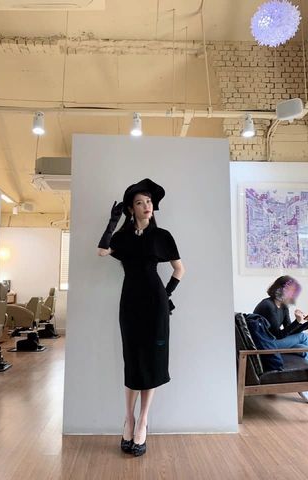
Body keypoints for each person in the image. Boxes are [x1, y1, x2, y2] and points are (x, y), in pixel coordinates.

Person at [97, 178, 185, 457]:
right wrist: (113, 222)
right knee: (133, 359)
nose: (146, 206)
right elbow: (102, 250)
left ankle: (143, 420)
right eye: (139, 202)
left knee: (152, 361)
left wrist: (166, 296)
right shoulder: (122, 238)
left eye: (149, 201)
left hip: (156, 304)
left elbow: (180, 269)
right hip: (130, 303)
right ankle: (129, 418)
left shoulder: (163, 236)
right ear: (130, 209)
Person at [253, 275, 308, 404]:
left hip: (276, 342)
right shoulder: (267, 305)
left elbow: (290, 330)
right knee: (304, 337)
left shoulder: (283, 307)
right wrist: (298, 322)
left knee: (304, 348)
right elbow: (278, 335)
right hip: (266, 344)